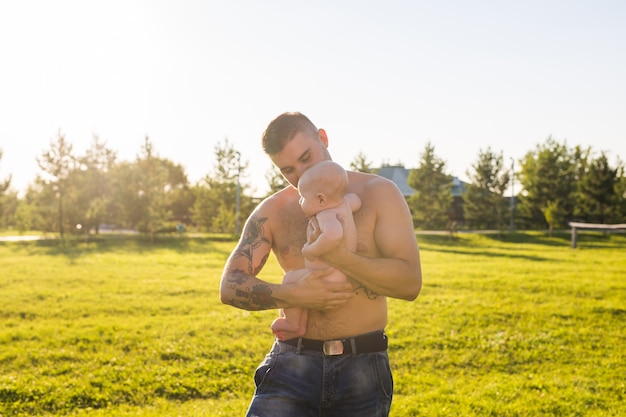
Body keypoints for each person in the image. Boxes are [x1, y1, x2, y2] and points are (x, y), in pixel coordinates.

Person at [220, 112, 422, 417]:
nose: (301, 173)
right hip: (291, 364)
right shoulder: (273, 210)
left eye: (306, 157)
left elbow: (409, 283)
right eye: (288, 169)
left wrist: (341, 258)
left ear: (323, 139)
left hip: (363, 366)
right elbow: (230, 285)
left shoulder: (379, 193)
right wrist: (296, 296)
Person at [270, 160, 361, 341]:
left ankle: (293, 323)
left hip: (325, 273)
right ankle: (299, 323)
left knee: (290, 279)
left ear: (321, 200)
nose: (301, 201)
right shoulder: (344, 204)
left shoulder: (325, 214)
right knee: (300, 288)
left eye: (303, 197)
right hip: (338, 274)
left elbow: (334, 234)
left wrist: (312, 250)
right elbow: (356, 201)